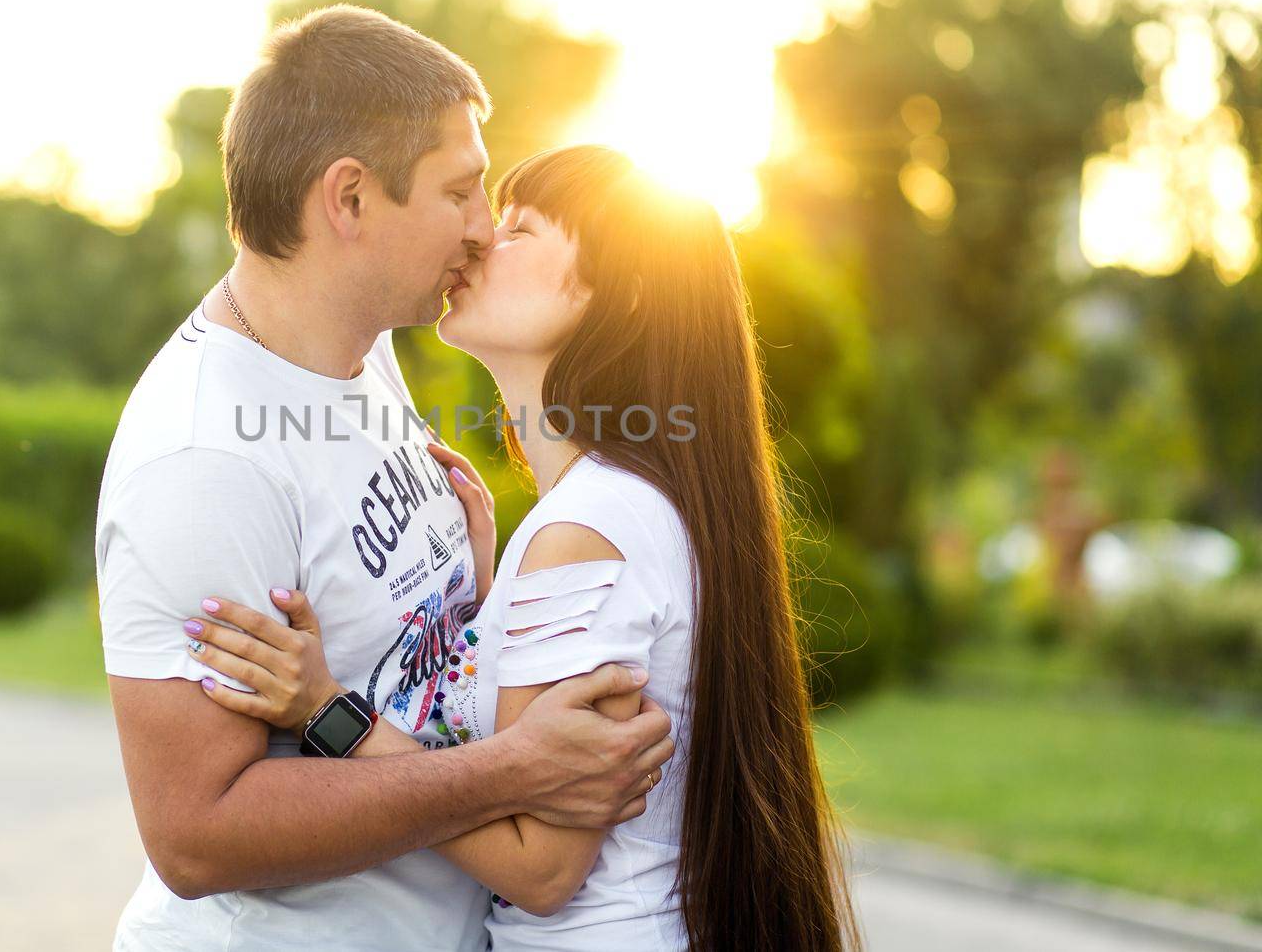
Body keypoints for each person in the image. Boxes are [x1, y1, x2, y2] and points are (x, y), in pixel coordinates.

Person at [95, 7, 674, 952]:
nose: (485, 228)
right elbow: (195, 834)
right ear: (350, 200)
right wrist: (515, 772)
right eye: (462, 191)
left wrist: (485, 591)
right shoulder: (203, 461)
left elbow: (400, 655)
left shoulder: (363, 353)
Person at [188, 145, 860, 950]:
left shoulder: (586, 529)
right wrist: (484, 604)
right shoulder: (610, 507)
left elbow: (539, 866)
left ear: (624, 294)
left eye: (521, 230)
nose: (478, 240)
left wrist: (329, 713)